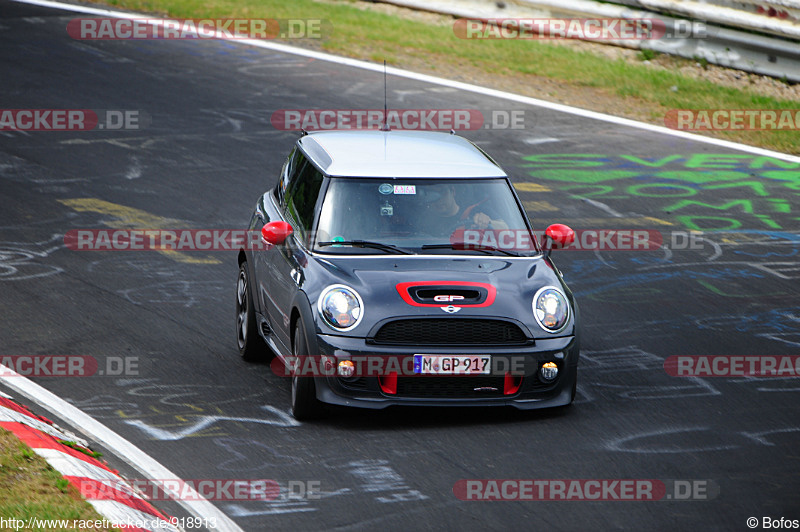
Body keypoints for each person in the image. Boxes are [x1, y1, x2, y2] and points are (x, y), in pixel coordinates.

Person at [422, 184, 508, 233]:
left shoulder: (477, 211)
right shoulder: (422, 220)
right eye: (432, 195)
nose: (438, 200)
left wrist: (489, 222)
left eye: (442, 193)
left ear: (453, 191)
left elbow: (507, 232)